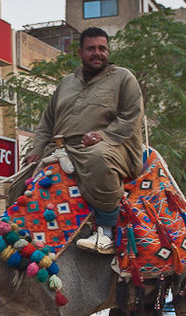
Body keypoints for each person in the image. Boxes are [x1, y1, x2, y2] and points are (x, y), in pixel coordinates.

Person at [25, 26, 144, 255]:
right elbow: (46, 123)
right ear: (80, 52)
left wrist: (103, 135)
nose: (97, 53)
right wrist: (37, 149)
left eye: (102, 48)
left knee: (98, 158)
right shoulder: (66, 82)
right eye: (91, 49)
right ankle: (18, 231)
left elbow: (132, 116)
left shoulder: (123, 77)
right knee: (26, 175)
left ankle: (106, 232)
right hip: (62, 148)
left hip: (114, 144)